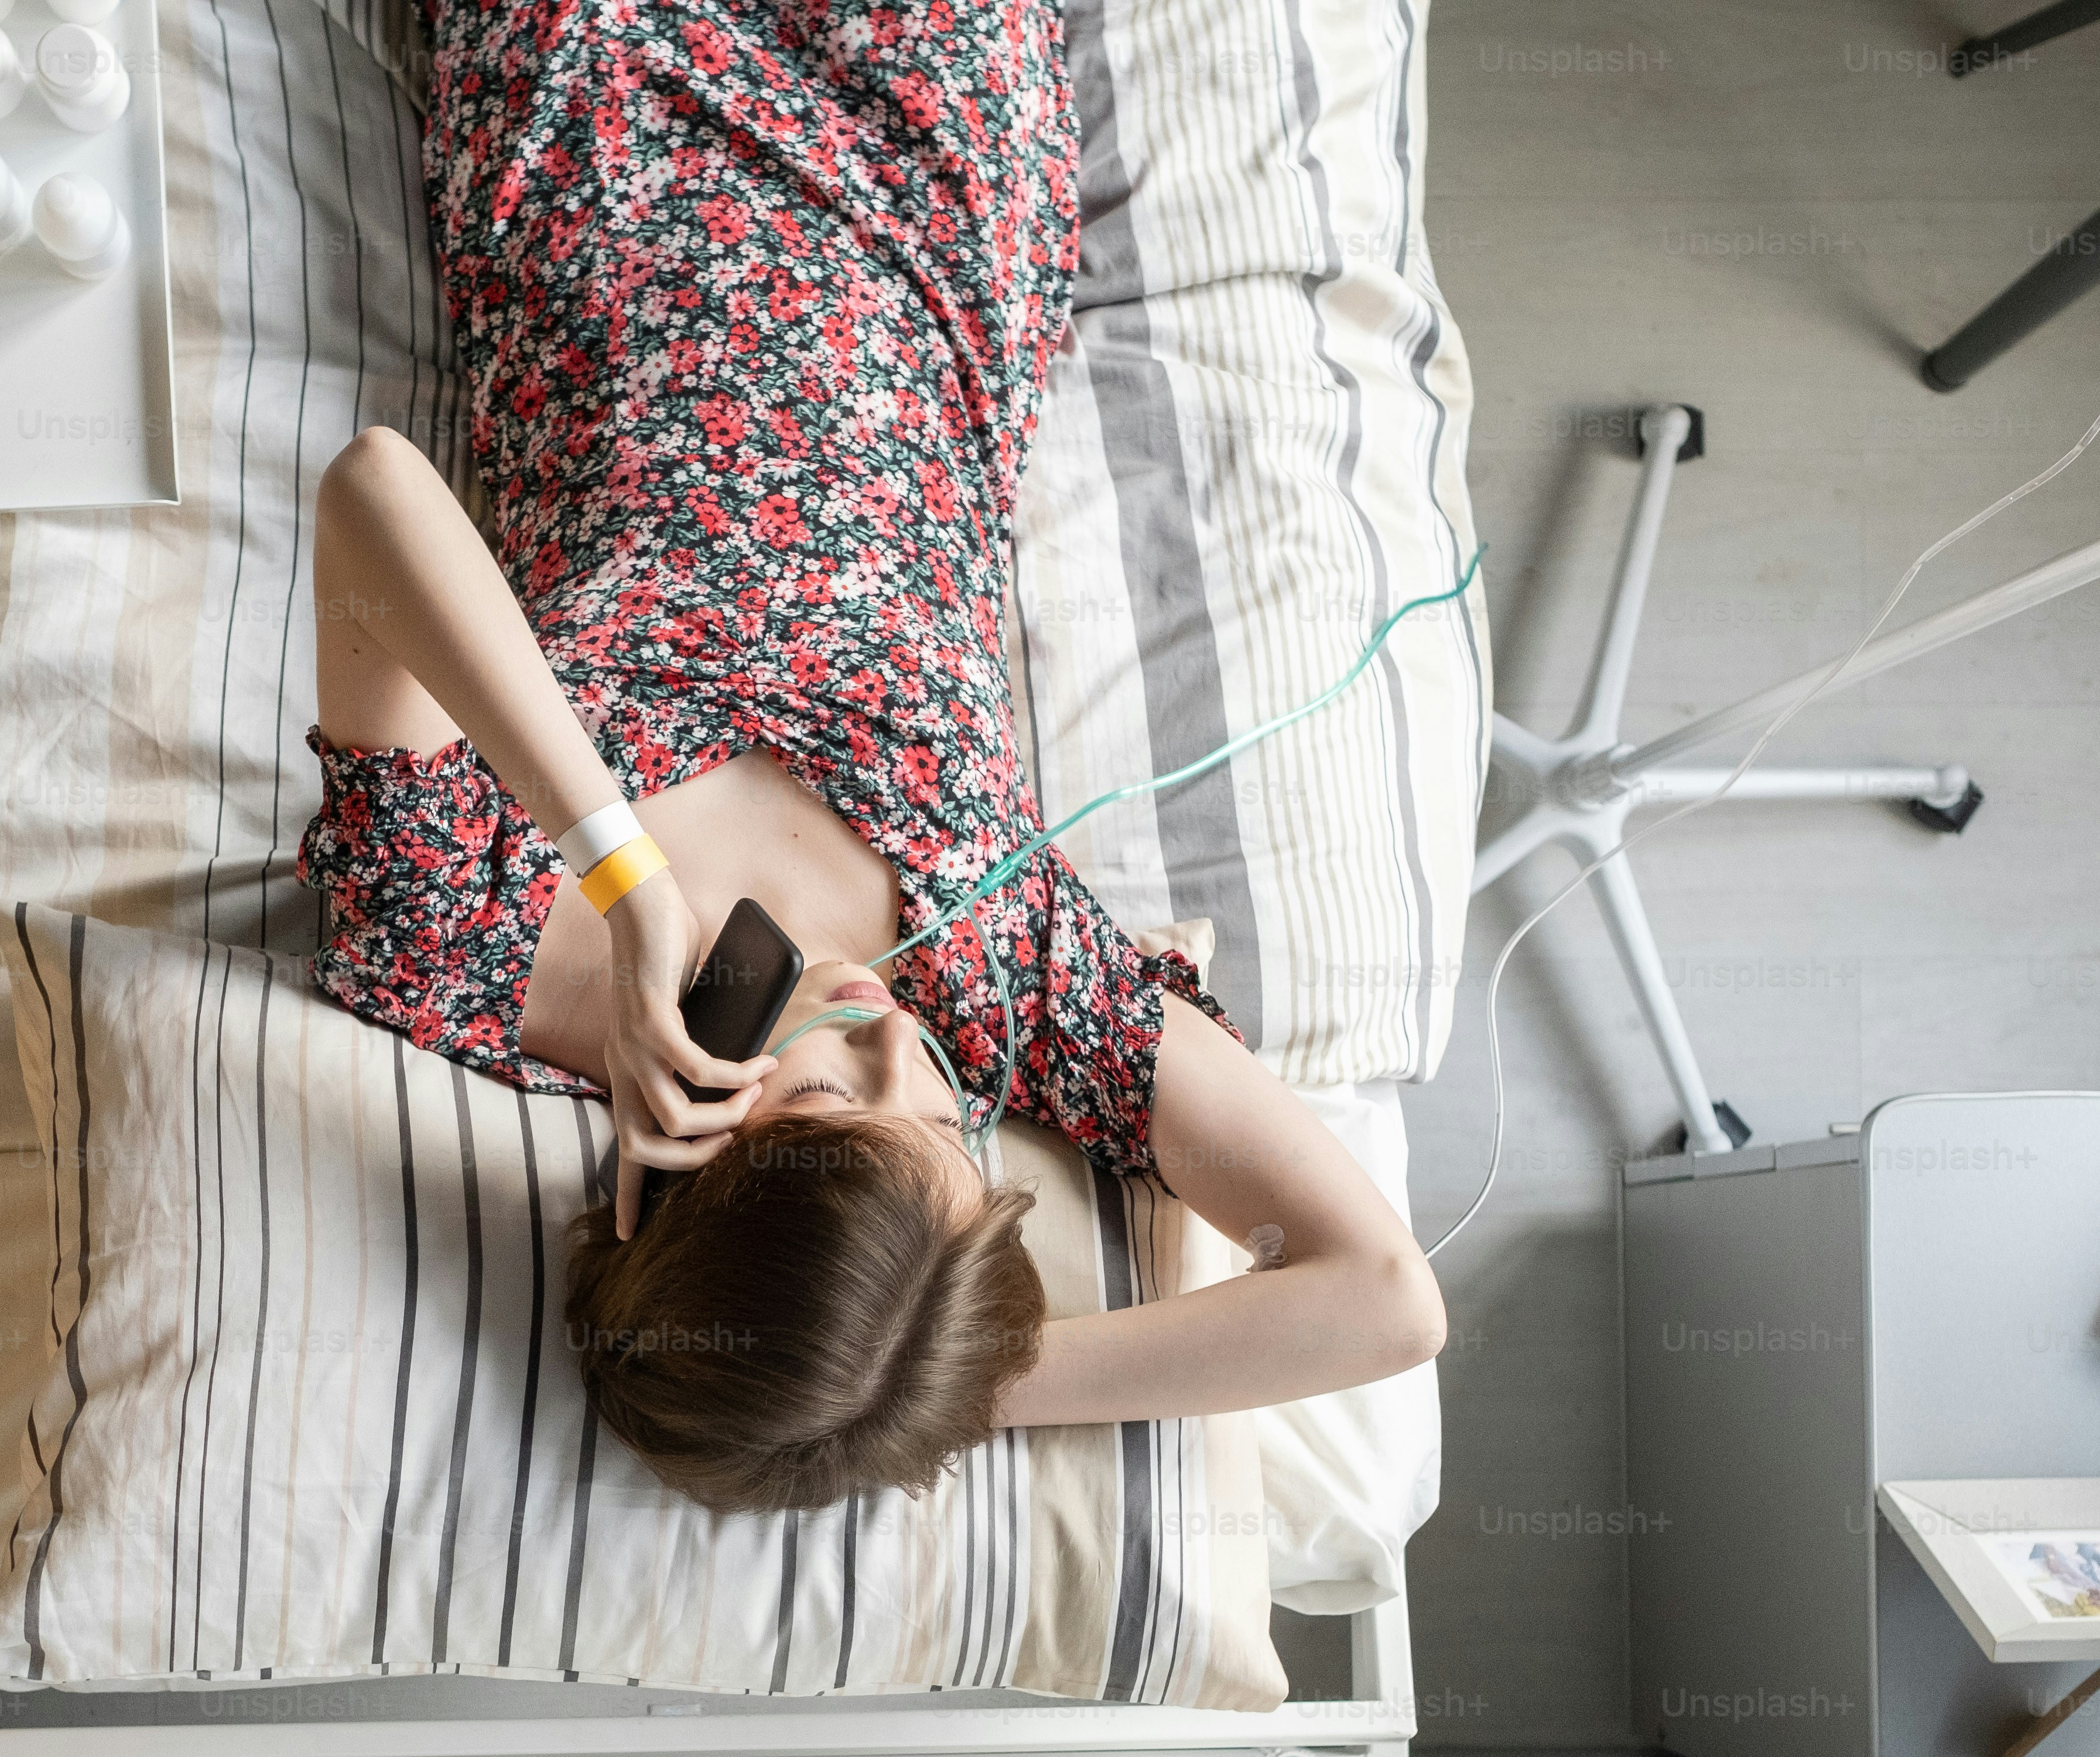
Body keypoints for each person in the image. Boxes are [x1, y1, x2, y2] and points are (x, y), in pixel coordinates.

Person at [301, 0, 1441, 1510]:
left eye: (844, 1102)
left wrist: (628, 882)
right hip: (935, 185)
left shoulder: (458, 947)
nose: (910, 1047)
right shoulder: (1005, 981)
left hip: (603, 125)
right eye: (963, 1131)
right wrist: (932, 1371)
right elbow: (1381, 1298)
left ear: (659, 1193)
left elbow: (376, 499)